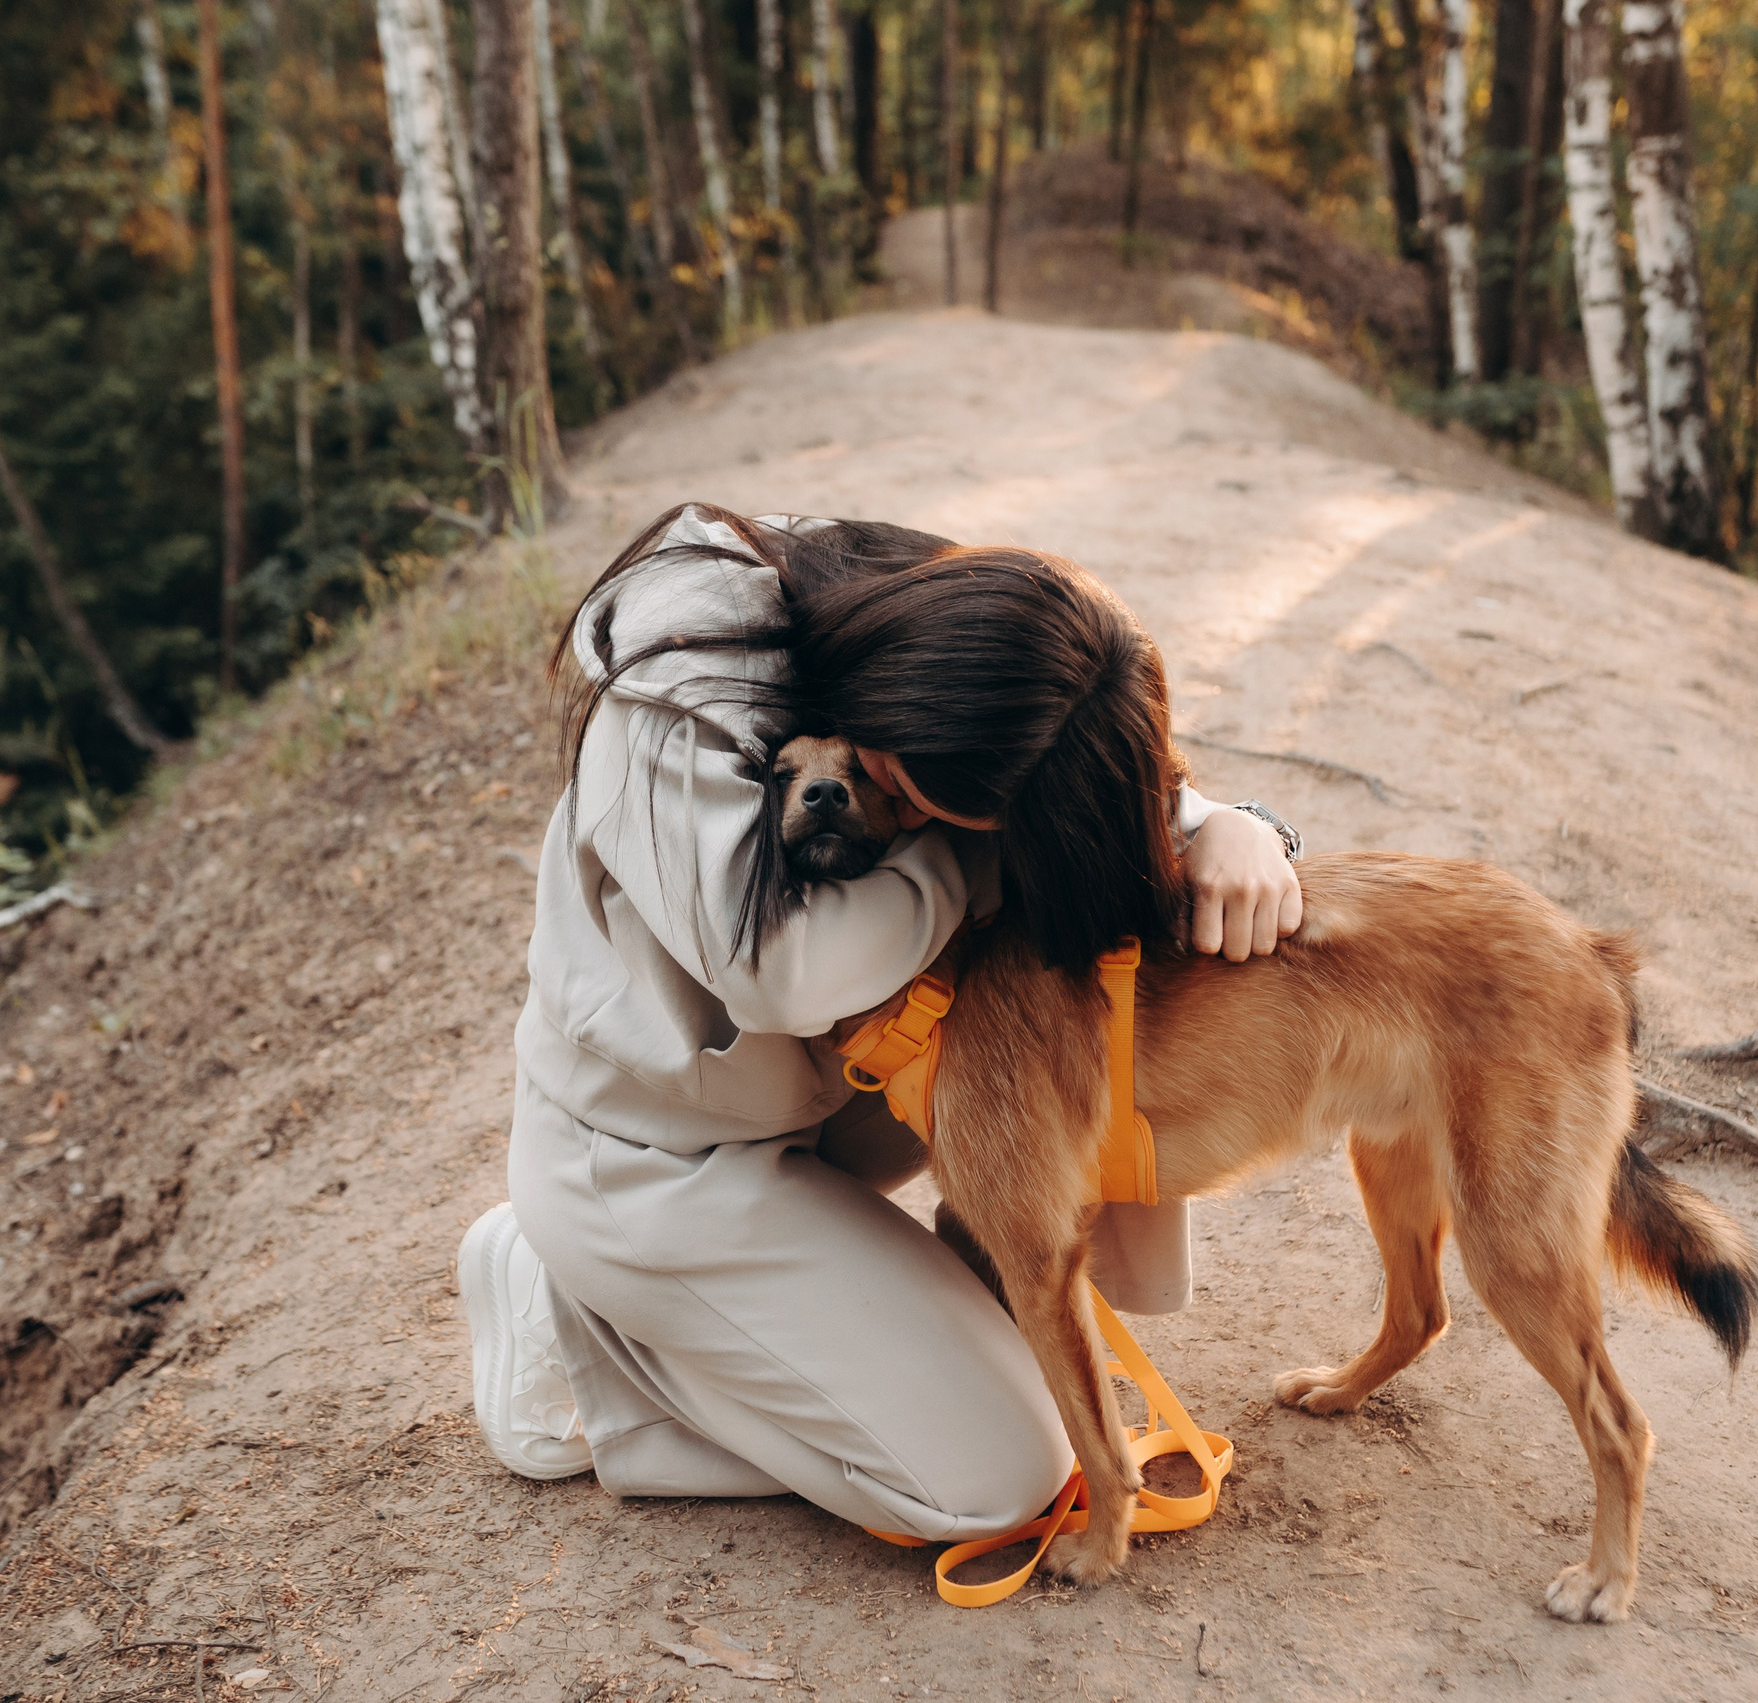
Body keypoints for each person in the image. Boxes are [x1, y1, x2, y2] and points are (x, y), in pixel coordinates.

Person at [457, 504, 1301, 1545]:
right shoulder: (676, 702)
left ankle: (909, 1282)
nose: (932, 814)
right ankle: (587, 1330)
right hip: (657, 1156)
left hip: (830, 1105)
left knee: (1076, 976)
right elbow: (783, 974)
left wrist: (1226, 823)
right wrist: (969, 850)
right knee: (999, 1478)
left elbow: (1084, 778)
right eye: (936, 796)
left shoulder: (940, 644)